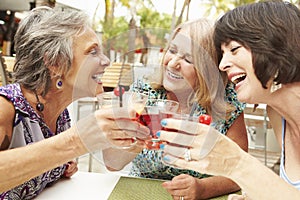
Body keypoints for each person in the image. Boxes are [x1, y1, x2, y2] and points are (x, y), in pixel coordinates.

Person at [0, 7, 150, 199]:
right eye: (93, 52)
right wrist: (75, 141)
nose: (106, 61)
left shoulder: (60, 114)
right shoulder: (6, 108)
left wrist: (60, 165)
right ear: (55, 63)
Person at [157, 1, 300, 199]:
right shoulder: (278, 115)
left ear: (275, 50)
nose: (222, 65)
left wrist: (238, 165)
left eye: (234, 50)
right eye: (222, 54)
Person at [103, 18, 248, 199]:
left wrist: (203, 188)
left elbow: (241, 170)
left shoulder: (227, 105)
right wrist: (133, 137)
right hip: (141, 191)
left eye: (188, 59)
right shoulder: (143, 94)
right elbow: (111, 163)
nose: (172, 63)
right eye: (172, 51)